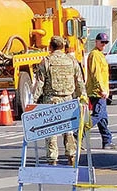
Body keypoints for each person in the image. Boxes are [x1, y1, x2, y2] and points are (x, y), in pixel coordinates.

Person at [33, 35, 86, 166]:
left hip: (51, 100)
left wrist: (33, 101)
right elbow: (79, 81)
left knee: (51, 130)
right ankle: (71, 155)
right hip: (68, 99)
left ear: (50, 46)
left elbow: (40, 83)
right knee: (68, 129)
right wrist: (83, 97)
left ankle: (53, 159)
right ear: (63, 46)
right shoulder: (72, 61)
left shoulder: (46, 61)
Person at [86, 33, 117, 150]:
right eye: (101, 42)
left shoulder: (100, 55)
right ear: (96, 41)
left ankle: (107, 140)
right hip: (97, 92)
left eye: (105, 43)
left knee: (103, 118)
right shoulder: (94, 55)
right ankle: (78, 133)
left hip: (101, 92)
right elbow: (96, 74)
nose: (103, 44)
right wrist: (102, 89)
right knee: (98, 115)